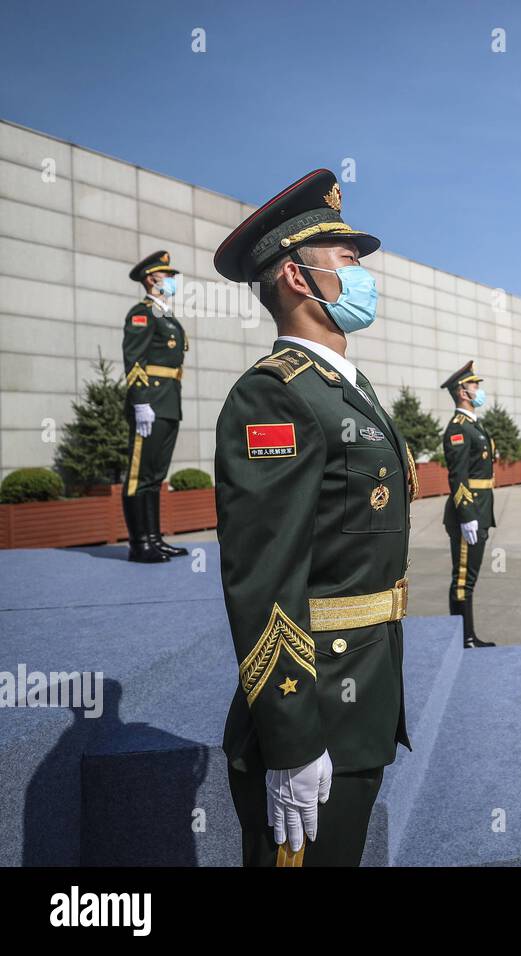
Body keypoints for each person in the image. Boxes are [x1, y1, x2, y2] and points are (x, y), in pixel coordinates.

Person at [212, 168, 412, 866]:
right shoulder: (276, 398)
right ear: (298, 278)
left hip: (363, 698)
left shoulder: (341, 390)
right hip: (317, 706)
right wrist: (292, 742)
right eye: (350, 263)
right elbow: (265, 579)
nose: (364, 278)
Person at [121, 250, 188, 562]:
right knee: (139, 475)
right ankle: (139, 544)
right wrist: (140, 403)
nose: (173, 280)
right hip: (150, 403)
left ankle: (154, 539)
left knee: (156, 476)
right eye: (168, 275)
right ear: (151, 278)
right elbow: (134, 360)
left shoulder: (165, 315)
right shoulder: (142, 312)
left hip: (169, 403)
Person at [441, 361, 498, 650]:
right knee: (464, 578)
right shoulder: (458, 429)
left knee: (469, 577)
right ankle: (464, 639)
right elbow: (458, 475)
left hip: (480, 510)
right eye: (475, 385)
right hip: (470, 511)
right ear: (462, 392)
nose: (479, 389)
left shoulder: (474, 425)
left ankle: (468, 636)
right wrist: (466, 515)